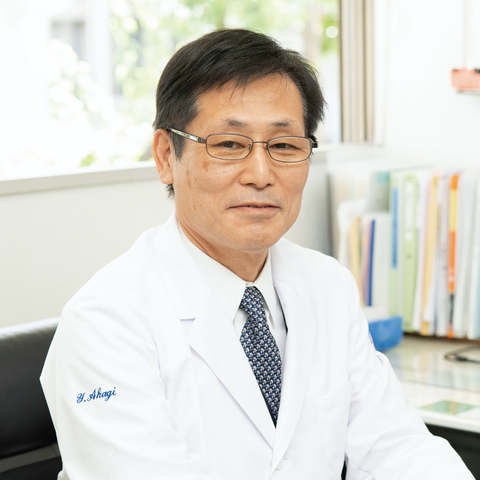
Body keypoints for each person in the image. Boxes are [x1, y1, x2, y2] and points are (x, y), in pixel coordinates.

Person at [41, 29, 474, 480]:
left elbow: (397, 446)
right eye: (229, 144)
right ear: (167, 155)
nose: (262, 174)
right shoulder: (104, 324)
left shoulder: (327, 284)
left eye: (284, 146)